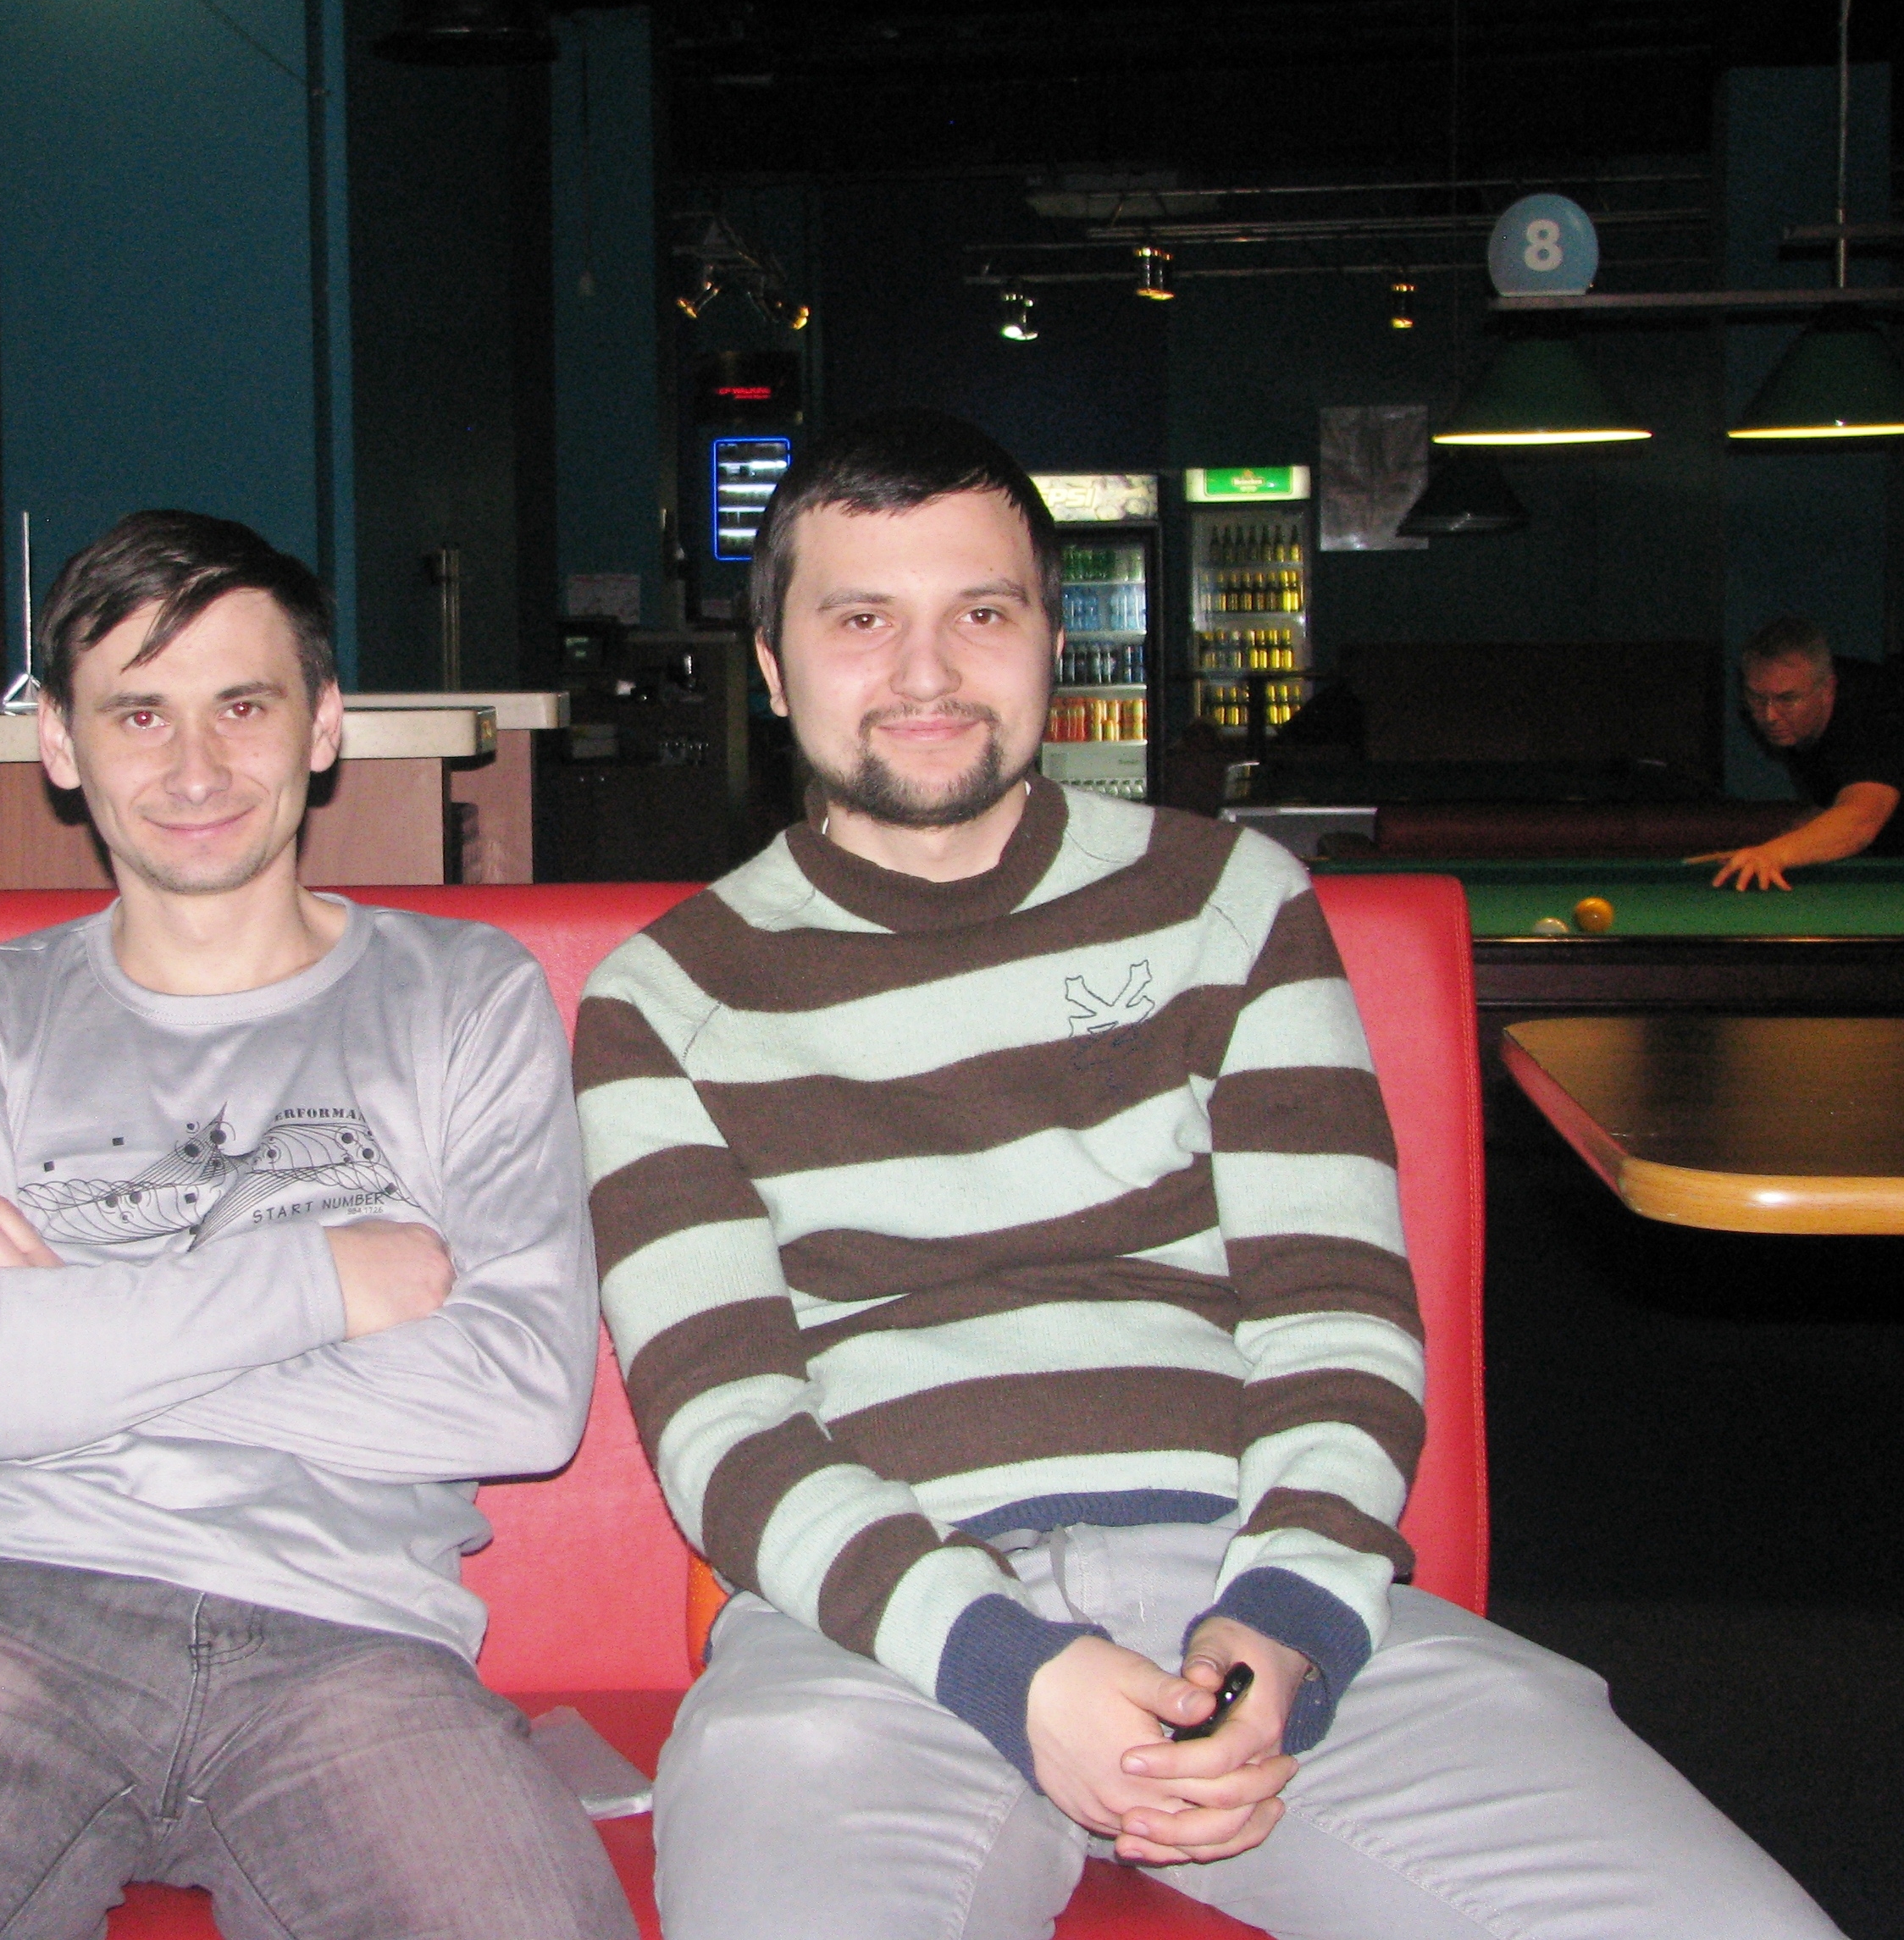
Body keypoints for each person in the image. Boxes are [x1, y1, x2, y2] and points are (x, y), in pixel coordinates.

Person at [572, 411, 1840, 1940]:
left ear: (1052, 642)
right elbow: (722, 1424)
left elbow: (1334, 1311)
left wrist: (1284, 1622)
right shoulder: (664, 999)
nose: (925, 671)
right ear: (774, 669)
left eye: (981, 612)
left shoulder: (1228, 901)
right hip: (871, 1631)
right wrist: (1006, 1664)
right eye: (859, 620)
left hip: (1239, 1577)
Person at [0, 511, 632, 1940]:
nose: (194, 768)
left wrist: (60, 1311)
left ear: (322, 726)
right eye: (138, 713)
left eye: (241, 706)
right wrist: (319, 1278)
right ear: (59, 743)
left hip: (354, 1646)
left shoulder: (460, 995)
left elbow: (519, 1394)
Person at [1694, 616, 1904, 890]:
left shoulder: (1877, 712)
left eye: (1787, 699)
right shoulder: (1799, 721)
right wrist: (1767, 850)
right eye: (1757, 697)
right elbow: (1836, 803)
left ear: (1827, 689)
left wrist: (1774, 854)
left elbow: (1861, 820)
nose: (1769, 715)